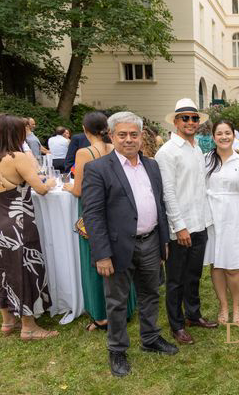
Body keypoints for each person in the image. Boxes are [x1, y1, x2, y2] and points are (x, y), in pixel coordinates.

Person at [82, 111, 178, 377]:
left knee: (150, 294)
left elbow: (159, 205)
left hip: (150, 242)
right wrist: (102, 254)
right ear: (112, 136)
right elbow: (92, 215)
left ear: (141, 136)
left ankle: (150, 339)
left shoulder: (152, 166)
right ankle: (117, 350)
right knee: (117, 302)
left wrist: (163, 241)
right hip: (116, 248)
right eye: (122, 135)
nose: (128, 140)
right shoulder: (98, 168)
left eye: (133, 134)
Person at [63, 112, 137, 331]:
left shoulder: (84, 152)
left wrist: (67, 186)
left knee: (96, 260)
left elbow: (79, 190)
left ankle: (101, 315)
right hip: (116, 210)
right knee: (121, 258)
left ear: (85, 131)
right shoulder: (115, 148)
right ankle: (126, 308)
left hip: (93, 212)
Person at [155, 99, 217, 346]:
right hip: (180, 227)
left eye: (194, 118)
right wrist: (179, 226)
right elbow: (168, 193)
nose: (191, 122)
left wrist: (203, 222)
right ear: (175, 121)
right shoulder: (167, 152)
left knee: (193, 275)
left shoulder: (195, 149)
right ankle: (177, 325)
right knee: (176, 280)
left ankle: (193, 315)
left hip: (199, 222)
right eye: (186, 118)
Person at [0, 114, 58, 340]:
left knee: (3, 270)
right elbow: (41, 188)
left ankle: (7, 321)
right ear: (15, 133)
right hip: (18, 223)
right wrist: (50, 182)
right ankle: (28, 326)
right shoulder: (17, 157)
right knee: (24, 269)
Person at [204, 121, 239, 324]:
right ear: (213, 136)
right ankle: (223, 306)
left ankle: (236, 305)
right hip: (211, 216)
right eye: (219, 133)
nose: (223, 137)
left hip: (234, 216)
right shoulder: (205, 160)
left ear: (233, 136)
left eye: (227, 133)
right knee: (216, 265)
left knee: (233, 266)